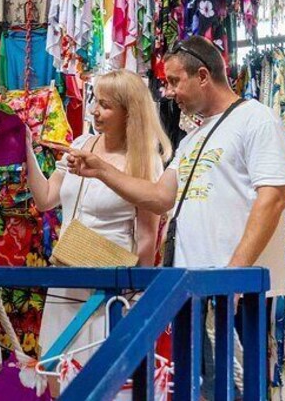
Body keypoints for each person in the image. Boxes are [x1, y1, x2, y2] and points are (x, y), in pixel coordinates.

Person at [67, 36, 285, 397]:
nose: (168, 92)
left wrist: (234, 275)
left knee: (232, 386)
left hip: (231, 292)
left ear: (202, 75)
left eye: (174, 81)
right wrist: (100, 170)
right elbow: (159, 197)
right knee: (201, 388)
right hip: (192, 291)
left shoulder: (256, 120)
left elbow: (273, 199)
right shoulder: (191, 139)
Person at [26, 70, 172, 383]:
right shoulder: (82, 144)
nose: (93, 110)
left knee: (103, 379)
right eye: (94, 100)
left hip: (111, 288)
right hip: (66, 278)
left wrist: (136, 299)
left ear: (128, 113)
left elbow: (148, 237)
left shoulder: (145, 161)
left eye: (104, 105)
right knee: (55, 373)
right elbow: (46, 198)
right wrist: (26, 149)